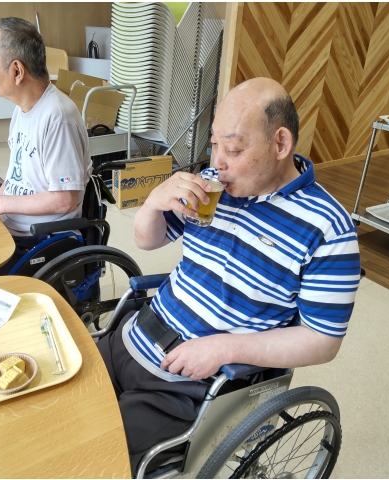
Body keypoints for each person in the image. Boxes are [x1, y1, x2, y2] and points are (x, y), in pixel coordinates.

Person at [97, 77, 361, 475]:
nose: (218, 162)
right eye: (215, 145)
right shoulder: (212, 186)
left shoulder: (327, 229)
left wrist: (223, 348)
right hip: (131, 335)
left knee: (93, 456)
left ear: (280, 144)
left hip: (188, 387)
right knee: (51, 406)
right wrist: (153, 204)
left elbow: (323, 341)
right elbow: (147, 241)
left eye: (234, 149)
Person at [0, 17, 92, 271]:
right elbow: (17, 175)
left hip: (40, 238)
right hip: (12, 227)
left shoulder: (58, 117)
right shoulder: (22, 109)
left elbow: (64, 200)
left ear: (16, 71)